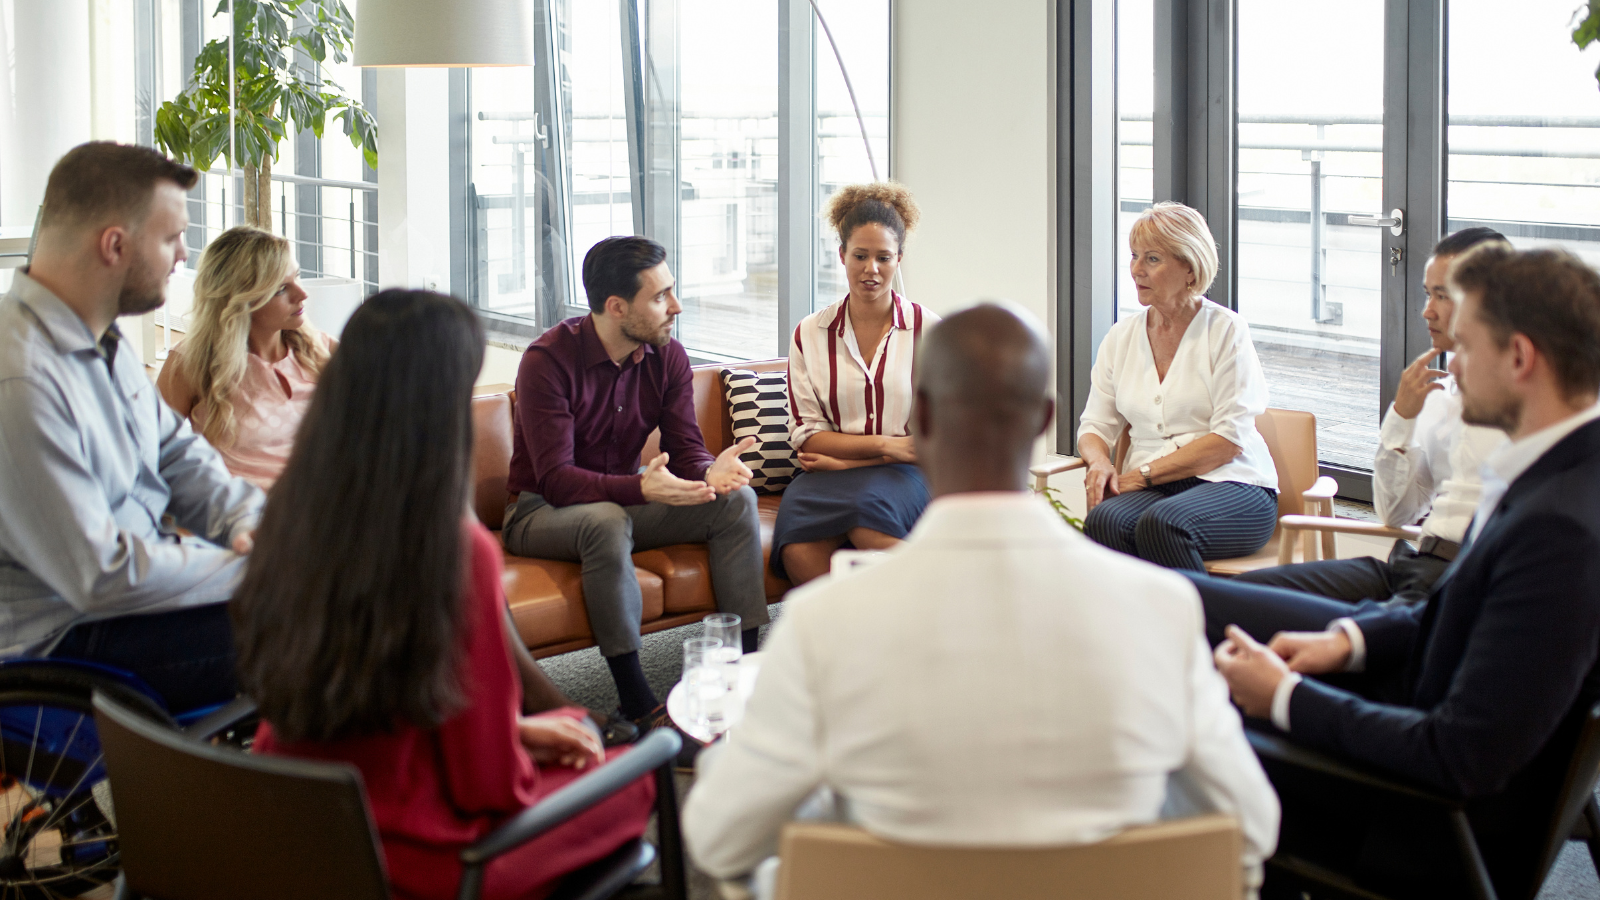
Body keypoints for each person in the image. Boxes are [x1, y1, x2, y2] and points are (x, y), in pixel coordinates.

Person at [685, 303, 1279, 898]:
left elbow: (717, 837)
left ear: (923, 418)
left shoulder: (825, 621)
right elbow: (1253, 827)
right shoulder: (1161, 608)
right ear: (1043, 419)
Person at [1200, 243, 1600, 897]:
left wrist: (1283, 696)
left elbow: (1456, 757)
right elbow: (1467, 616)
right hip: (1417, 729)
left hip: (1416, 829)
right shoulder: (1564, 476)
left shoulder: (1560, 530)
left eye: (1466, 348)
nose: (1454, 366)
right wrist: (1349, 640)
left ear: (1520, 357)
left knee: (1197, 744)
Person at [239, 290, 656, 900]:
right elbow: (489, 789)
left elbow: (376, 701)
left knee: (565, 727)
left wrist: (519, 732)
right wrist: (516, 745)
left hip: (304, 822)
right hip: (424, 859)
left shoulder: (288, 517)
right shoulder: (450, 549)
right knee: (632, 776)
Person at [0, 142, 260, 712]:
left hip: (128, 610)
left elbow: (176, 452)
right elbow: (99, 575)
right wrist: (245, 568)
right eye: (171, 239)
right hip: (59, 646)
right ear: (114, 245)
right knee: (330, 635)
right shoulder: (20, 379)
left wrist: (251, 521)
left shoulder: (105, 341)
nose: (183, 255)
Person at [502, 235, 769, 728]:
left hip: (623, 503)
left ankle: (746, 670)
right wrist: (641, 489)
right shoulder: (547, 362)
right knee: (604, 521)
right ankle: (636, 699)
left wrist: (711, 471)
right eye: (660, 296)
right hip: (540, 512)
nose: (676, 306)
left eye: (672, 290)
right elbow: (558, 480)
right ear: (617, 306)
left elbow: (686, 445)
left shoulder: (667, 355)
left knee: (736, 502)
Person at [1234, 227, 1507, 603]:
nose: (1427, 311)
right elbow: (1396, 515)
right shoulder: (1435, 398)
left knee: (1317, 631)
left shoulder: (1535, 401)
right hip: (1414, 564)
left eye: (1441, 296)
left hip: (1470, 577)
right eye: (1428, 295)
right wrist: (1402, 418)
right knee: (1235, 597)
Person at [1078, 201, 1279, 571]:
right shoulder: (1120, 338)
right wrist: (1099, 462)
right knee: (1103, 521)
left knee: (1164, 525)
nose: (1137, 269)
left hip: (1235, 485)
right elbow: (1094, 426)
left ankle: (1200, 626)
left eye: (1152, 259)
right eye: (1135, 256)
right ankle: (1133, 629)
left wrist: (1141, 475)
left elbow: (1229, 440)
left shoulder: (1226, 331)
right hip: (1156, 490)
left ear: (1190, 267)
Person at [772, 183, 940, 585]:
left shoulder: (929, 331)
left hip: (906, 474)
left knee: (869, 525)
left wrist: (849, 460)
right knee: (797, 548)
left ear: (899, 258)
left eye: (884, 257)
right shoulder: (809, 333)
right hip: (826, 474)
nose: (871, 269)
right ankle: (844, 645)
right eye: (860, 256)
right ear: (842, 254)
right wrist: (884, 446)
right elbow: (808, 436)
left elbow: (936, 442)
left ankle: (922, 628)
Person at [156, 226, 333, 491]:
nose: (302, 294)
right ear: (240, 302)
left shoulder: (322, 350)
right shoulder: (191, 363)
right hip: (242, 519)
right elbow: (148, 450)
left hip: (323, 510)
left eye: (298, 277)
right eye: (281, 289)